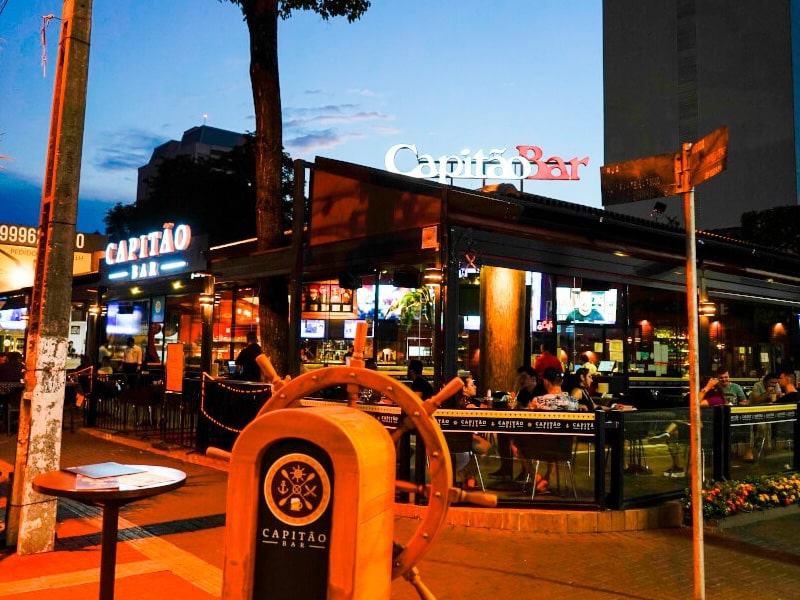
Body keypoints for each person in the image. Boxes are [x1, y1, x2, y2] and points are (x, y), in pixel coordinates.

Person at [648, 375, 726, 477]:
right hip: (697, 427)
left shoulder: (717, 399)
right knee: (672, 435)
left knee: (675, 427)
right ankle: (677, 466)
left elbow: (696, 403)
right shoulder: (707, 396)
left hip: (707, 432)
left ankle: (666, 434)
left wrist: (706, 388)